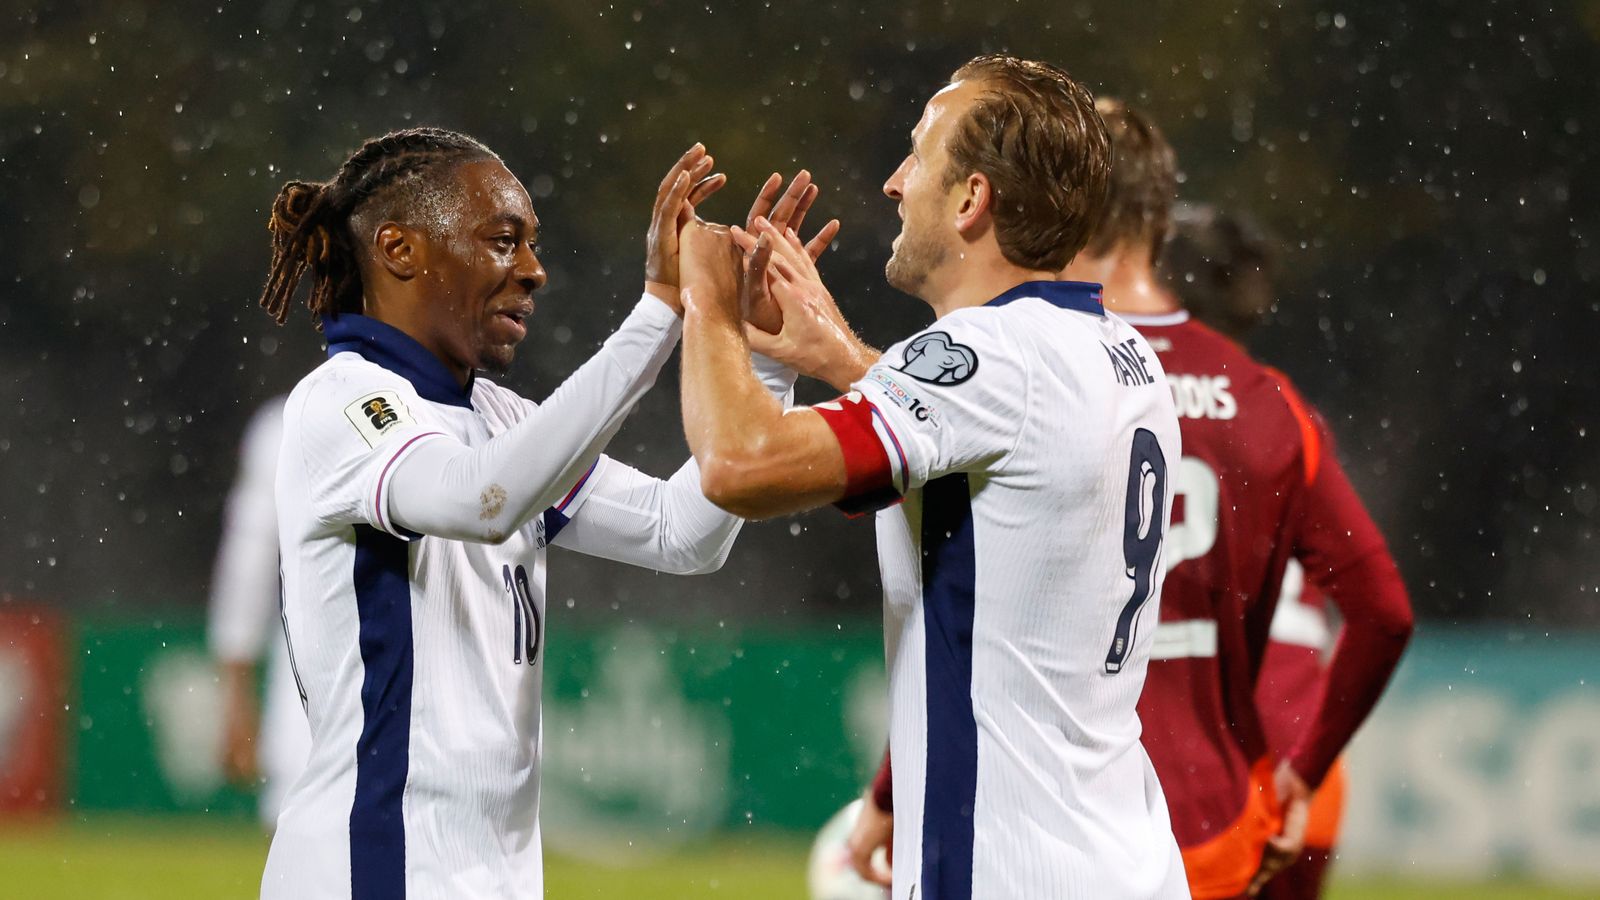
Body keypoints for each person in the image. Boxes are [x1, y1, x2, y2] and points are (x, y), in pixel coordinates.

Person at [255, 127, 832, 900]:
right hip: (376, 873)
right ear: (399, 249)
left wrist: (761, 359)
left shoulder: (498, 418)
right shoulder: (344, 403)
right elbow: (483, 499)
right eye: (503, 241)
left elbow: (681, 534)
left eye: (531, 244)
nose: (533, 269)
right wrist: (659, 312)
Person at [676, 55, 1188, 899]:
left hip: (1010, 873)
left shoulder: (992, 357)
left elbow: (739, 466)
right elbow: (1001, 439)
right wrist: (842, 358)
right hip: (1127, 858)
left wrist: (705, 298)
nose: (894, 181)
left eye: (919, 154)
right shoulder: (1120, 350)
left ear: (971, 199)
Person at [1064, 100, 1413, 899]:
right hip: (1220, 819)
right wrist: (1305, 770)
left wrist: (892, 790)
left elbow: (968, 612)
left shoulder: (1033, 374)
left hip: (1064, 819)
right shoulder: (1266, 401)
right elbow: (1385, 612)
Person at [1160, 204, 1350, 900]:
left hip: (1200, 765)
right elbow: (1375, 603)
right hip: (1302, 766)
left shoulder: (1128, 399)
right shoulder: (1286, 413)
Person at [207, 395, 310, 829]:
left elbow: (248, 560)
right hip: (432, 678)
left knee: (305, 827)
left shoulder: (292, 421)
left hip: (317, 682)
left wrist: (236, 693)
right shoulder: (463, 410)